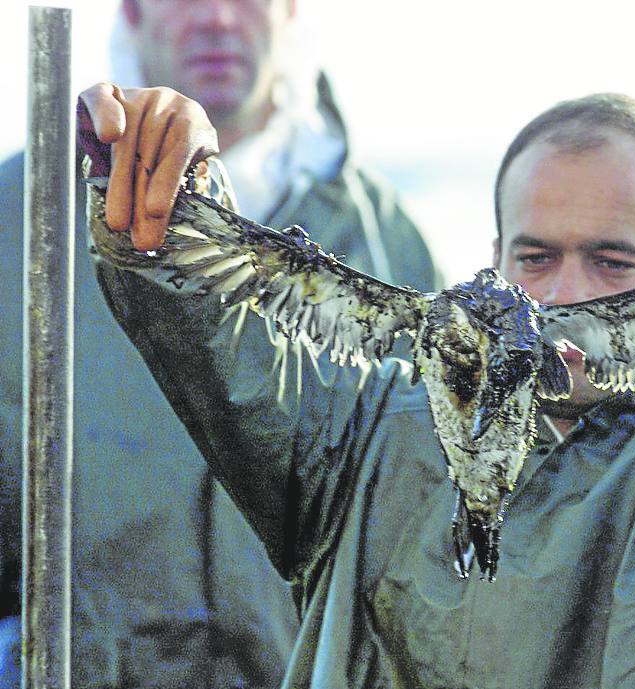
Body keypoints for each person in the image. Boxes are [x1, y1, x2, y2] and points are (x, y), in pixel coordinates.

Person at [79, 84, 635, 689]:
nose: (561, 296)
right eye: (535, 256)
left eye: (613, 260)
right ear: (493, 260)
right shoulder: (359, 442)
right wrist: (158, 192)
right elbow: (217, 320)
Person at [0, 0, 438, 685]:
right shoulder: (20, 211)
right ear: (133, 14)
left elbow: (423, 535)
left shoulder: (388, 237)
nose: (217, 19)